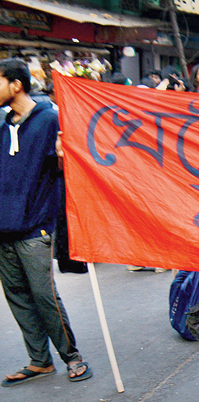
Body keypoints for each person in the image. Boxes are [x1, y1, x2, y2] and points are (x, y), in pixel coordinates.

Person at [0, 58, 93, 386]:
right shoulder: (2, 126)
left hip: (36, 225)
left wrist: (66, 154)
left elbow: (74, 164)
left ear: (16, 85)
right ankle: (39, 360)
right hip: (3, 228)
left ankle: (72, 356)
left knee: (43, 294)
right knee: (17, 296)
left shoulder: (51, 119)